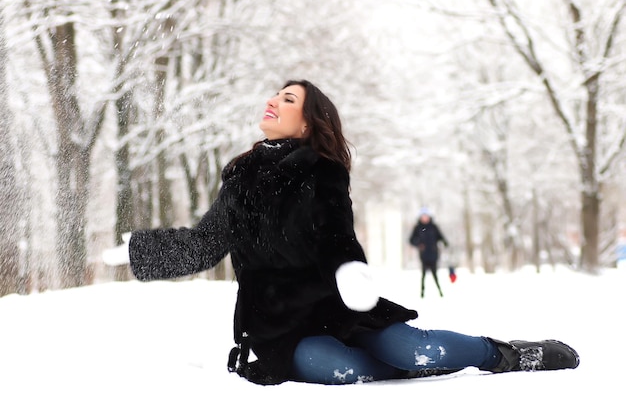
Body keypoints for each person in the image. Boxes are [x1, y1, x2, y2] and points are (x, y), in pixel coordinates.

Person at [127, 79, 579, 385]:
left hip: (335, 304)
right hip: (278, 322)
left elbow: (334, 232)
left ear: (306, 123)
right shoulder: (240, 175)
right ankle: (413, 366)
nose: (274, 101)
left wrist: (349, 269)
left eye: (288, 99)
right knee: (338, 367)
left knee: (407, 347)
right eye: (276, 95)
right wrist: (137, 249)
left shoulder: (322, 171)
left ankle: (501, 354)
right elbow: (205, 245)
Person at [409, 209, 448, 298]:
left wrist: (445, 242)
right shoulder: (418, 227)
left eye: (426, 216)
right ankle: (422, 293)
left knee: (435, 273)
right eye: (423, 216)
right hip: (423, 255)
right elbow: (411, 240)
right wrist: (419, 244)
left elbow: (440, 237)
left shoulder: (433, 227)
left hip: (434, 253)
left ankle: (440, 291)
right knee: (423, 274)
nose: (425, 218)